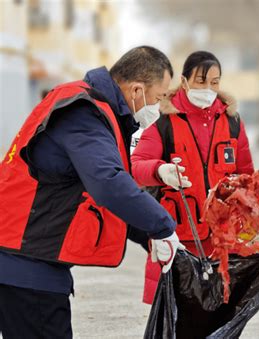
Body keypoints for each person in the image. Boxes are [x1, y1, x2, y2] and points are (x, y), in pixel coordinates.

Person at [0, 46, 184, 339]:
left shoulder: (95, 111)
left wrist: (148, 235)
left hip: (28, 262)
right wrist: (162, 226)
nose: (160, 107)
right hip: (26, 266)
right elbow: (108, 184)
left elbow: (99, 194)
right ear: (137, 90)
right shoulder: (84, 112)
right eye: (160, 97)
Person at [131, 50, 254, 304]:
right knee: (178, 313)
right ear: (185, 82)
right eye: (201, 81)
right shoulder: (164, 121)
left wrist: (258, 197)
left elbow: (246, 175)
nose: (208, 88)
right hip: (178, 236)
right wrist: (160, 171)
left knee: (218, 314)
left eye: (214, 82)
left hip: (222, 239)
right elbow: (136, 167)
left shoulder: (231, 121)